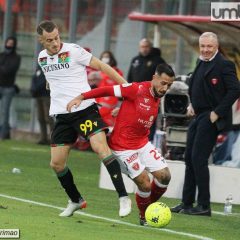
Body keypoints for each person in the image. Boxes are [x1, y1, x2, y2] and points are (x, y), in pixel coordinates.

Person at [36, 20, 131, 217]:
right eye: (49, 40)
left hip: (85, 109)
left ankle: (123, 197)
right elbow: (53, 78)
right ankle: (76, 200)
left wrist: (127, 88)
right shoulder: (42, 58)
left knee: (100, 148)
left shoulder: (74, 50)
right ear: (41, 41)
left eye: (56, 38)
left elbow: (103, 66)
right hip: (62, 115)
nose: (55, 43)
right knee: (57, 164)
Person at [67, 63, 175, 225]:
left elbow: (136, 110)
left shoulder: (158, 95)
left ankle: (150, 208)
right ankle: (144, 216)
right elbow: (107, 90)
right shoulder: (136, 89)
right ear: (154, 78)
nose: (165, 88)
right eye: (163, 83)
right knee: (145, 184)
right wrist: (81, 97)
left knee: (165, 176)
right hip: (123, 148)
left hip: (142, 144)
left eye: (169, 85)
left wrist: (123, 110)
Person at [171, 32, 240, 216]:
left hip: (210, 117)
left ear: (216, 46)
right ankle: (186, 203)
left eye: (209, 46)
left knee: (199, 160)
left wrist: (217, 112)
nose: (205, 49)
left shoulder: (225, 64)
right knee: (189, 159)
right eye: (203, 46)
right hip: (198, 116)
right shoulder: (201, 61)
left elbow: (235, 89)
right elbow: (196, 85)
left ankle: (203, 206)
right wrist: (192, 104)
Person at [127, 38, 166, 141]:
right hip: (136, 96)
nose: (144, 49)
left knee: (148, 121)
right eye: (142, 47)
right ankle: (133, 141)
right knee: (135, 120)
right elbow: (130, 78)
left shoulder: (158, 61)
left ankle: (147, 142)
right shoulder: (135, 60)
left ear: (150, 47)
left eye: (146, 47)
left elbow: (164, 78)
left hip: (151, 96)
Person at [0, 36, 21, 140]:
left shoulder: (16, 57)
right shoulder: (2, 55)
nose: (9, 45)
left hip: (8, 88)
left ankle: (3, 135)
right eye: (8, 43)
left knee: (5, 111)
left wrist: (2, 68)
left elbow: (9, 70)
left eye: (11, 44)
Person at [31, 65, 54, 144]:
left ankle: (53, 138)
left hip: (46, 95)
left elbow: (45, 80)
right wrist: (33, 89)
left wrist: (36, 88)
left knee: (48, 118)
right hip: (38, 95)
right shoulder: (39, 67)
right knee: (40, 118)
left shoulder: (50, 66)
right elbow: (34, 78)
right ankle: (43, 138)